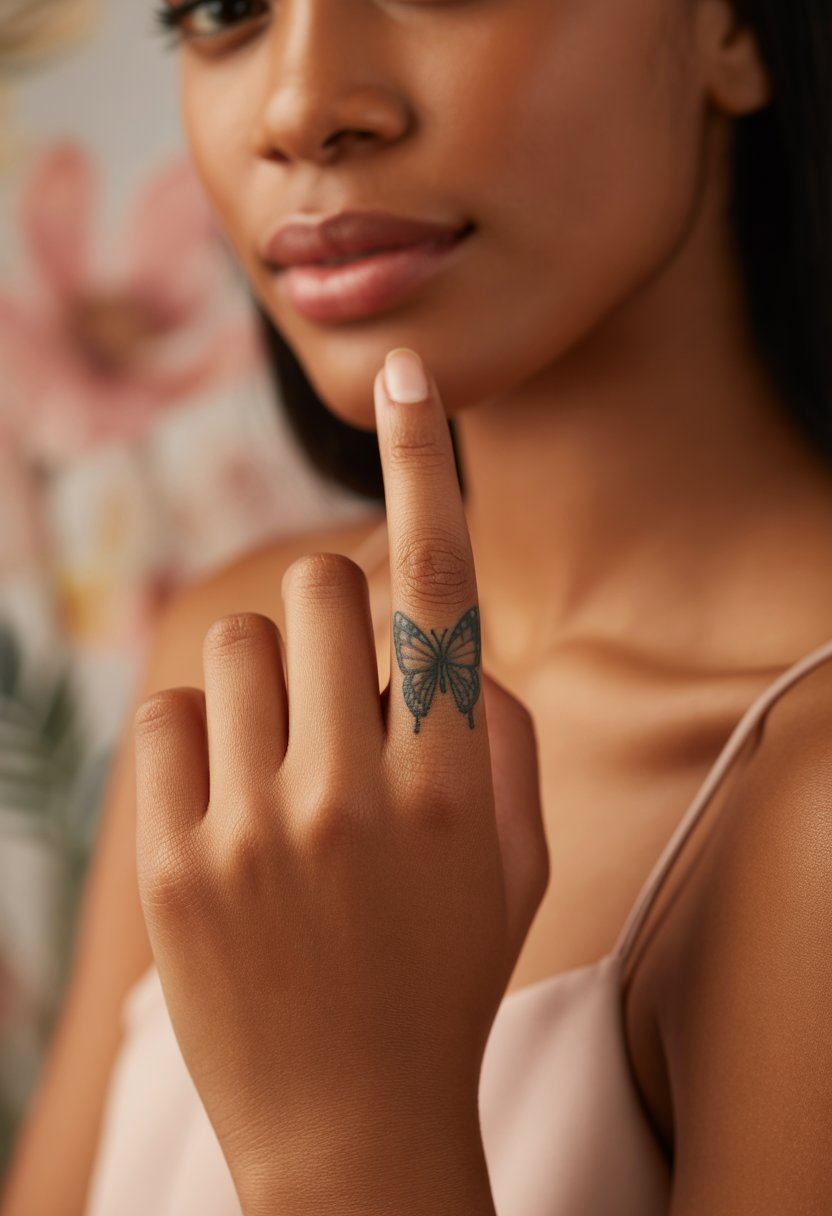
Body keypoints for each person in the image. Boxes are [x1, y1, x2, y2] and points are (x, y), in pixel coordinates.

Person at [3, 0, 832, 1212]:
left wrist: (345, 1127)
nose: (299, 108)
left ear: (732, 27)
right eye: (223, 9)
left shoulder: (808, 817)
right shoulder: (246, 661)